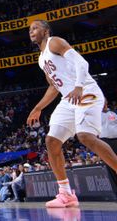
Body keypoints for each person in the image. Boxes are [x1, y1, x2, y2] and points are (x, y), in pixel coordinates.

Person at [26, 20, 117, 208]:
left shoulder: (55, 42)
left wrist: (78, 86)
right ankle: (66, 194)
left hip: (85, 90)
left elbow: (81, 62)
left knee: (85, 136)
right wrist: (38, 107)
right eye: (30, 29)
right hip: (68, 99)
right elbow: (53, 86)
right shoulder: (41, 59)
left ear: (45, 30)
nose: (31, 31)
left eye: (35, 28)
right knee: (52, 141)